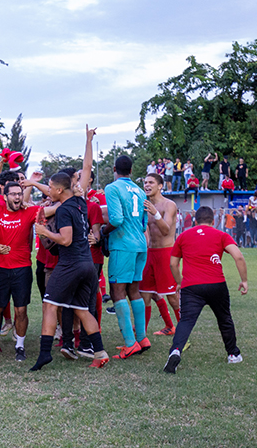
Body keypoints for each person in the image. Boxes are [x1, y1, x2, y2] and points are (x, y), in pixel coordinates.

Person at [30, 125, 109, 371]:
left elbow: (64, 239)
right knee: (82, 310)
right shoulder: (80, 202)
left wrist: (44, 232)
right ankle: (100, 352)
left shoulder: (63, 210)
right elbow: (86, 170)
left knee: (50, 305)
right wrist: (88, 140)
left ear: (60, 190)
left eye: (51, 187)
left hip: (70, 264)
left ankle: (44, 354)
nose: (49, 190)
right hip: (88, 264)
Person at [164, 206, 248, 374]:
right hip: (216, 284)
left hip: (191, 286)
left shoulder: (183, 236)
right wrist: (244, 280)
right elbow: (238, 256)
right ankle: (233, 354)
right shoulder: (221, 235)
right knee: (224, 319)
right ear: (213, 221)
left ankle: (175, 351)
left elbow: (173, 264)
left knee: (186, 321)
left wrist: (179, 282)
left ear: (195, 221)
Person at [0, 179, 40, 363]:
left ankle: (20, 346)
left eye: (20, 194)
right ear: (5, 196)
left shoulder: (30, 211)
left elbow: (52, 208)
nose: (17, 197)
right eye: (14, 194)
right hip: (0, 269)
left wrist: (35, 185)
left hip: (22, 269)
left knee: (21, 310)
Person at [104, 154, 150, 359]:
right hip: (141, 244)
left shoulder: (112, 188)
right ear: (131, 171)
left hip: (123, 245)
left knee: (117, 291)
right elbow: (143, 222)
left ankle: (130, 344)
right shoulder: (140, 191)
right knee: (134, 290)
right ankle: (142, 338)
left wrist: (102, 233)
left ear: (115, 169)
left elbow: (116, 219)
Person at [140, 173, 180, 336]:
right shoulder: (144, 205)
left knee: (172, 297)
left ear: (160, 186)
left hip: (166, 253)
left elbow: (165, 230)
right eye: (145, 182)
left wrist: (155, 213)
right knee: (145, 295)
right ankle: (141, 335)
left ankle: (183, 329)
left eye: (151, 182)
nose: (147, 185)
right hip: (150, 253)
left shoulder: (169, 205)